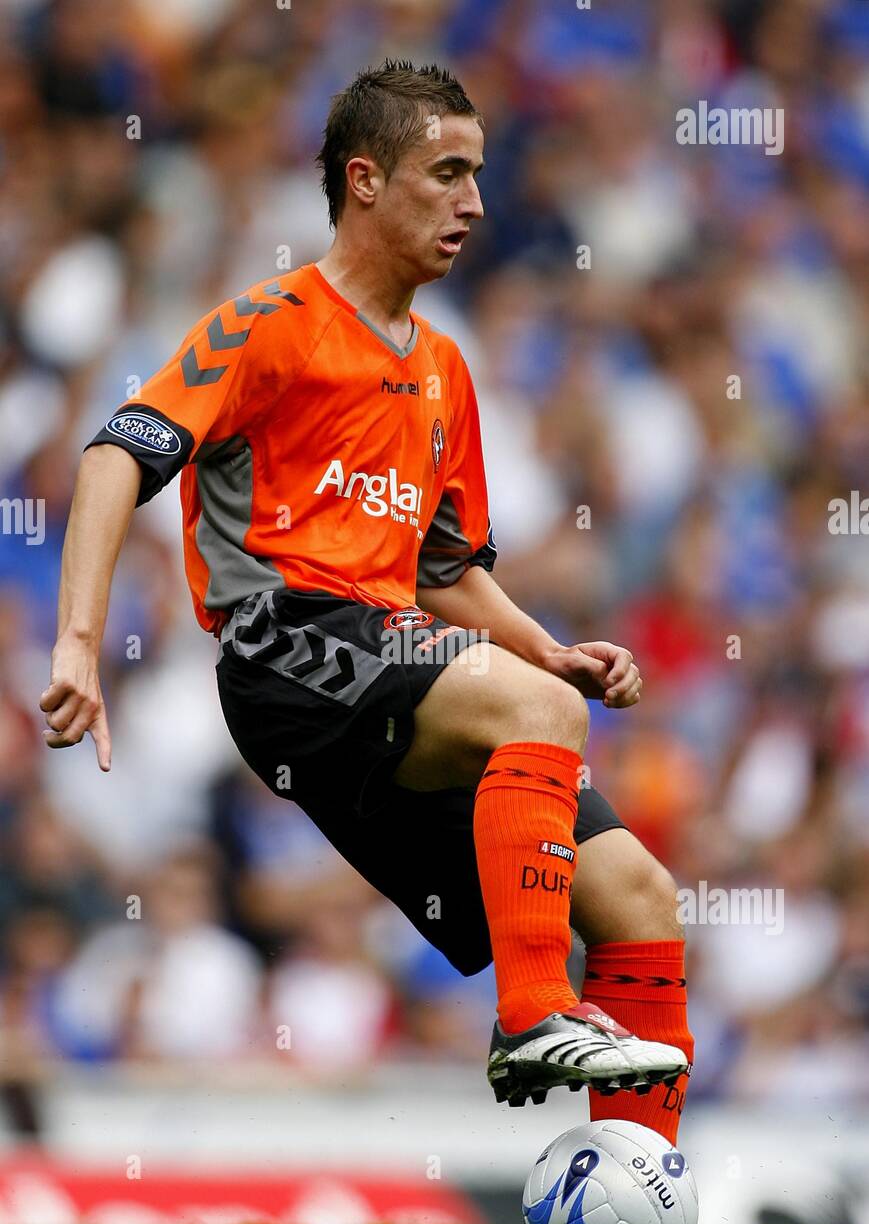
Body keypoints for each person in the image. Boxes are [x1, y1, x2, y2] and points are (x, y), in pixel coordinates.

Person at [40, 59, 693, 1136]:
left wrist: (543, 646)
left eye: (478, 175)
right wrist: (78, 641)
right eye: (446, 173)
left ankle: (634, 1189)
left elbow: (442, 570)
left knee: (640, 899)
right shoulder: (268, 324)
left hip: (391, 656)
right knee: (541, 717)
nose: (475, 202)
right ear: (364, 181)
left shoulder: (444, 368)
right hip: (284, 648)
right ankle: (531, 1013)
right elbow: (118, 453)